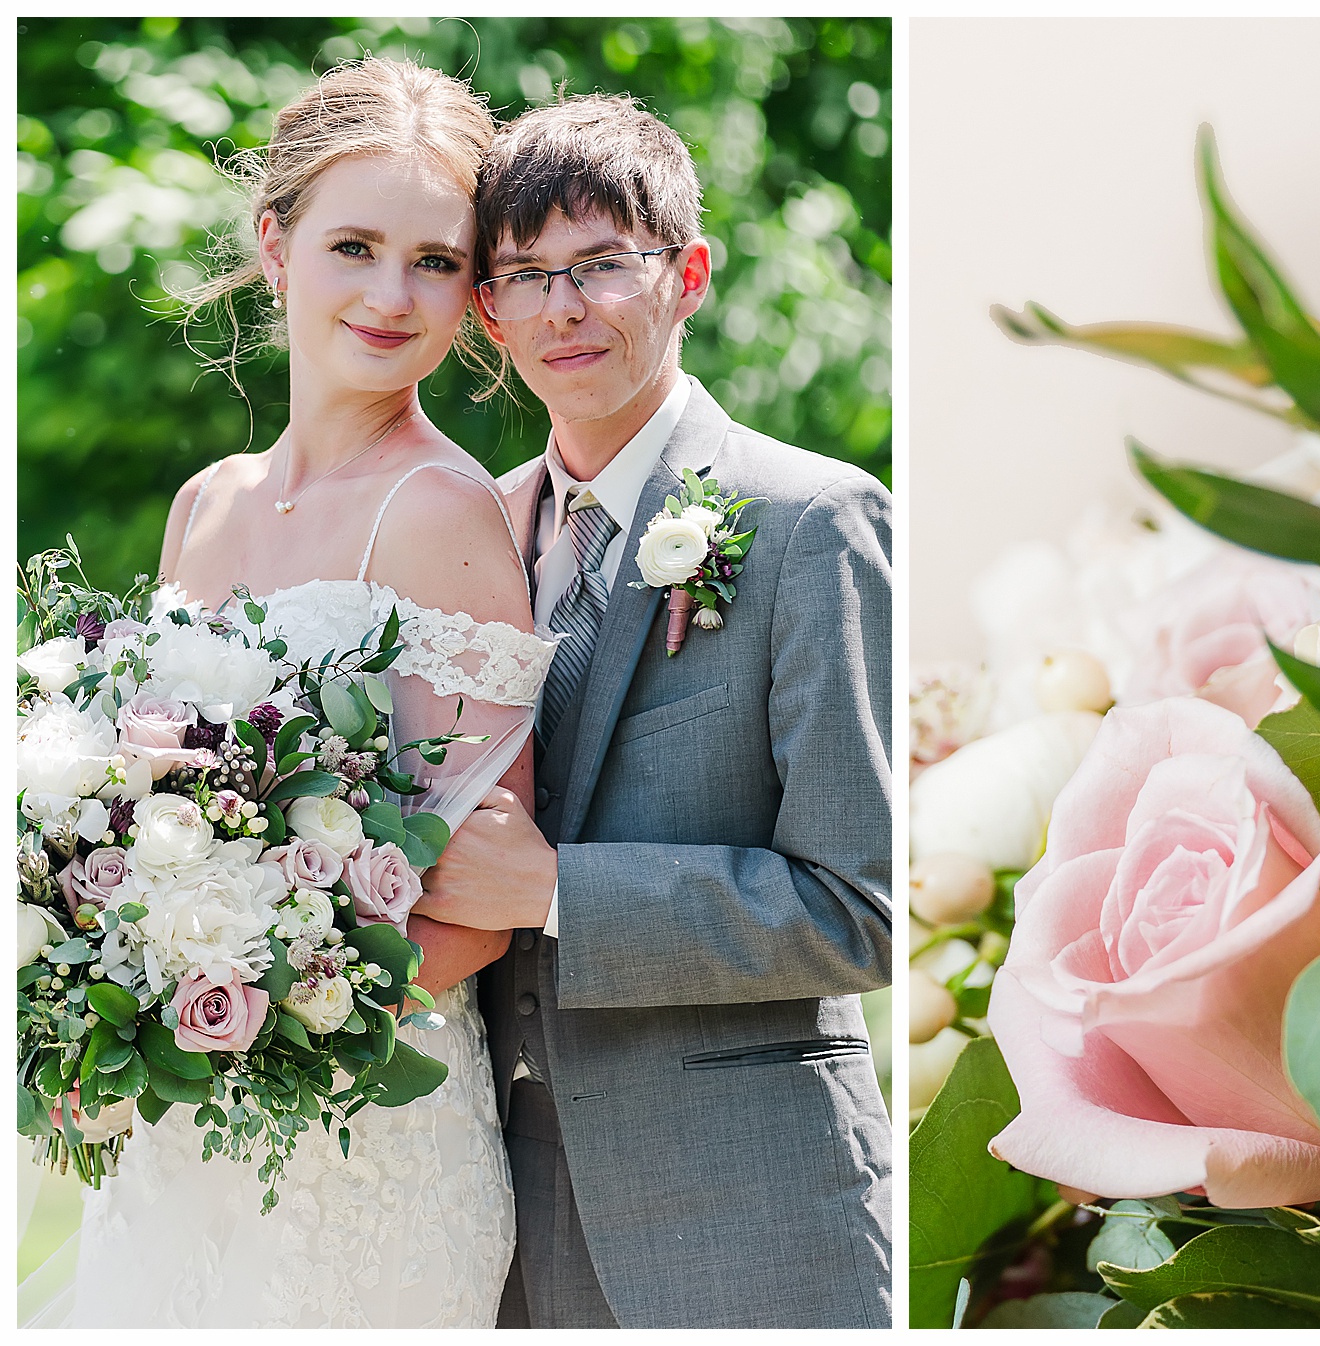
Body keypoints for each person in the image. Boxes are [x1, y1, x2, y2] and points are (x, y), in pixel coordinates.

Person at [63, 58, 555, 1328]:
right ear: (277, 248)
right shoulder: (207, 499)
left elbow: (477, 903)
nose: (393, 296)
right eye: (354, 245)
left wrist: (250, 1025)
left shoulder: (440, 513)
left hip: (356, 1142)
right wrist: (92, 982)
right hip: (177, 1136)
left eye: (437, 261)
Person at [410, 94, 893, 1328]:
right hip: (500, 1215)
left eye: (603, 266)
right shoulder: (466, 533)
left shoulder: (810, 522)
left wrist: (558, 890)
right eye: (524, 275)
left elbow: (863, 906)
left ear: (688, 274)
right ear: (488, 310)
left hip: (747, 1214)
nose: (563, 309)